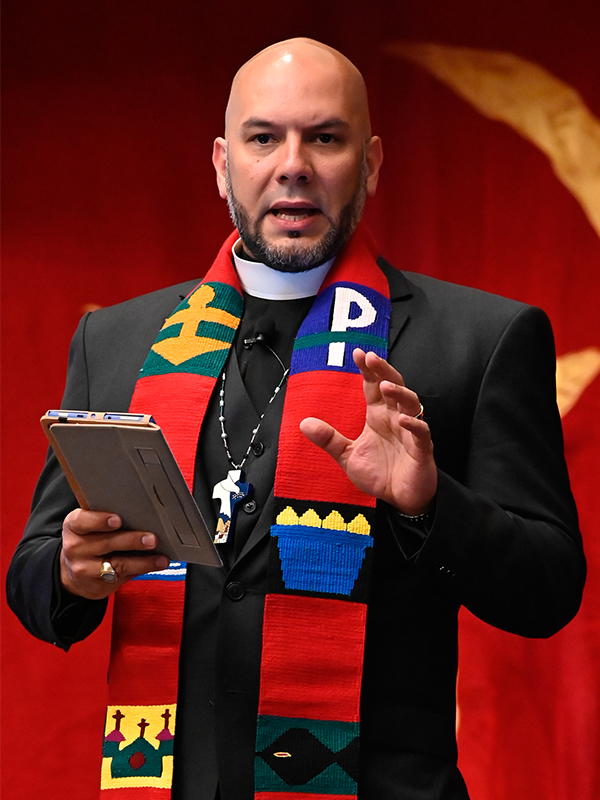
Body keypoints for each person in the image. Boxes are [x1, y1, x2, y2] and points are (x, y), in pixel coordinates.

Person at [7, 38, 585, 800]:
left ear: (371, 163)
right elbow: (34, 582)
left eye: (325, 137)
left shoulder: (479, 339)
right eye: (263, 137)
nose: (293, 164)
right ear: (222, 164)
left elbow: (547, 592)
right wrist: (71, 572)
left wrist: (430, 504)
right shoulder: (118, 341)